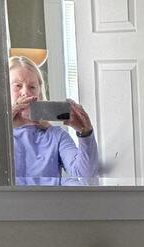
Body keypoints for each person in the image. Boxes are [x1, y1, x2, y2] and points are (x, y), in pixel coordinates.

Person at [8, 56, 99, 186]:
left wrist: (86, 133)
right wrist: (8, 117)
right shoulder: (1, 138)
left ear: (39, 93)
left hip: (51, 204)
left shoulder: (56, 135)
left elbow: (87, 176)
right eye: (17, 86)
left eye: (32, 87)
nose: (25, 92)